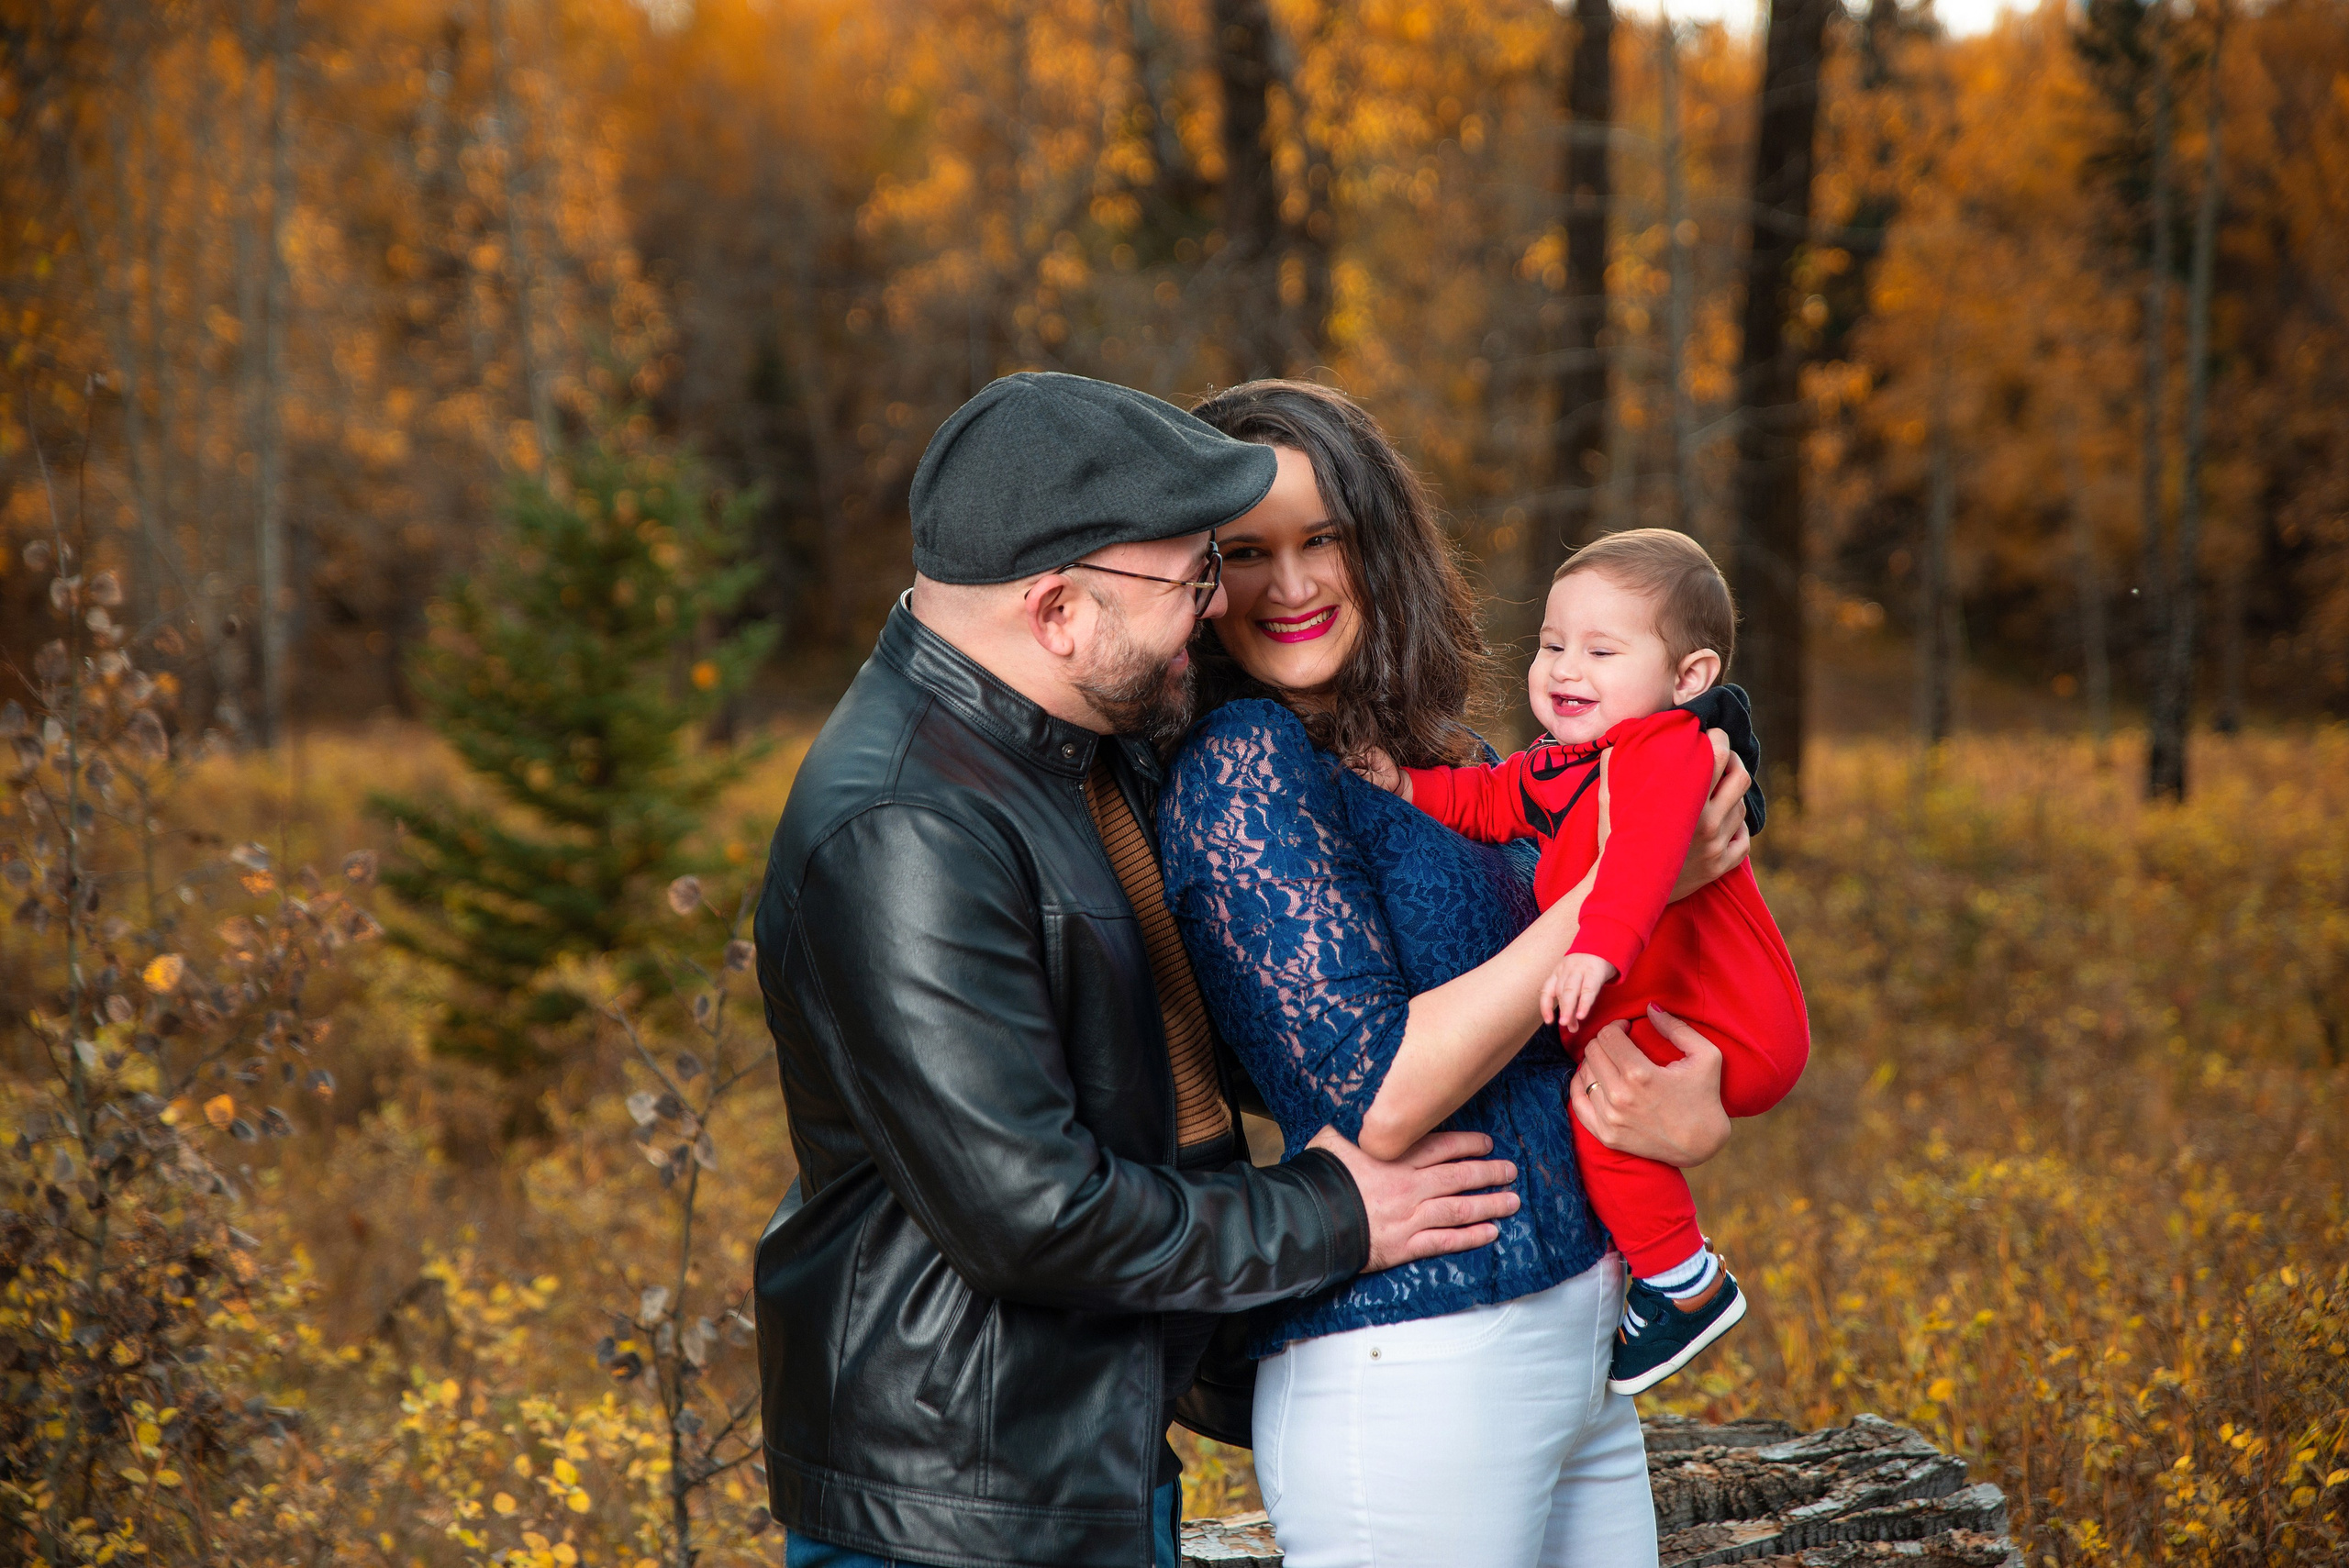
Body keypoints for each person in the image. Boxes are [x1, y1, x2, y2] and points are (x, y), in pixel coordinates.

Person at [751, 372, 1531, 1568]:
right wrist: (1330, 1213)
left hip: (1085, 1468)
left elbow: (1195, 1054)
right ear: (1058, 608)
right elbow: (1035, 1213)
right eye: (1194, 577)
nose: (1218, 610)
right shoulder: (906, 829)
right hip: (961, 1510)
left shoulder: (1083, 748)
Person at [1159, 381, 1753, 1568]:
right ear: (1198, 580)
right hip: (1416, 1361)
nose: (1293, 584)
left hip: (1582, 1338)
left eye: (1324, 537)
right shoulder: (1243, 766)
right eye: (1246, 553)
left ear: (1381, 538)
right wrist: (1622, 890)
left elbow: (1593, 1005)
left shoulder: (1452, 752)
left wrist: (1700, 1099)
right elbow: (1377, 1089)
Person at [1368, 528, 1811, 1396]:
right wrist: (1402, 787)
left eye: (1602, 650)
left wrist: (1599, 944)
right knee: (1602, 1114)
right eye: (1552, 644)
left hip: (1726, 1016)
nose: (1567, 668)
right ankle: (1674, 1278)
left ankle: (1684, 1284)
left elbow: (1648, 851)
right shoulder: (1569, 763)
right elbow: (1489, 798)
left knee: (1601, 1113)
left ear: (1688, 678)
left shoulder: (1670, 750)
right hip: (1669, 1017)